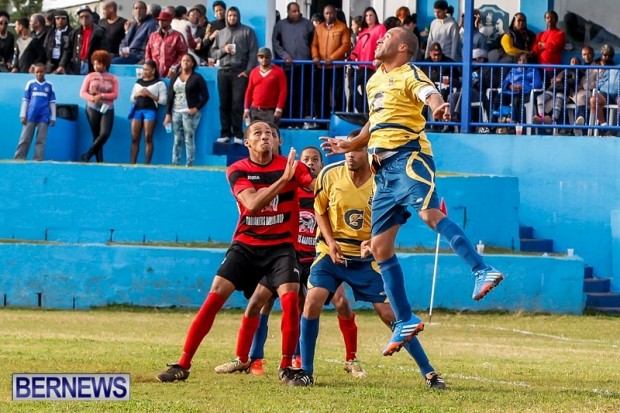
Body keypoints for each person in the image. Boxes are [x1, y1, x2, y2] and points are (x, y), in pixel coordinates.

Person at [322, 28, 504, 357]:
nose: (378, 39)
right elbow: (375, 121)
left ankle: (481, 269)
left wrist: (438, 106)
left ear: (403, 47)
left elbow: (429, 94)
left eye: (386, 36)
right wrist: (351, 143)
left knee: (429, 213)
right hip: (383, 173)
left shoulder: (409, 73)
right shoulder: (375, 80)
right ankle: (405, 318)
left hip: (409, 157)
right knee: (379, 248)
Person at [156, 121, 314, 383]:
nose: (265, 137)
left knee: (290, 298)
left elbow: (314, 184)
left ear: (277, 141)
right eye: (257, 133)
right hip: (246, 245)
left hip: (281, 248)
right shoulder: (238, 170)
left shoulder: (292, 167)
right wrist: (284, 181)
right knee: (215, 296)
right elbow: (251, 204)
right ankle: (182, 364)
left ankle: (286, 367)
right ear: (247, 143)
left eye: (269, 133)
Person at [289, 131, 446, 389]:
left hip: (365, 260)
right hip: (331, 253)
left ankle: (429, 372)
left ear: (368, 151)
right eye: (346, 149)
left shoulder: (382, 178)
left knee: (389, 314)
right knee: (312, 302)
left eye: (356, 149)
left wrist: (374, 242)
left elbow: (394, 217)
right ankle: (305, 371)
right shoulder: (329, 175)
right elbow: (319, 211)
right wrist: (330, 242)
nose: (350, 154)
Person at [238, 145, 364, 378]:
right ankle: (254, 359)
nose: (310, 162)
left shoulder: (325, 191)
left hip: (318, 258)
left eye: (315, 159)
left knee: (341, 303)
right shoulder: (291, 188)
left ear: (322, 165)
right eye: (305, 159)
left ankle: (351, 359)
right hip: (288, 257)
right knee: (262, 301)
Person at [210, 6, 258, 145]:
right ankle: (225, 133)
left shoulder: (247, 32)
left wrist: (247, 71)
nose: (232, 18)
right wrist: (223, 50)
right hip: (223, 71)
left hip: (239, 73)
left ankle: (238, 134)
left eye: (234, 15)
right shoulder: (220, 34)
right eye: (230, 15)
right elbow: (212, 53)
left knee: (237, 104)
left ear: (238, 17)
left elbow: (253, 53)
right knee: (224, 104)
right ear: (226, 17)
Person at [272, 2, 315, 126]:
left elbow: (314, 42)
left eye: (297, 11)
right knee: (288, 93)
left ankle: (299, 121)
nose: (296, 14)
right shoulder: (280, 25)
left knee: (302, 93)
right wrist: (284, 56)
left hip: (304, 65)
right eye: (293, 11)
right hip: (288, 66)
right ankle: (287, 120)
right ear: (288, 12)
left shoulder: (307, 24)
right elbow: (275, 42)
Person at [164, 53, 208, 167]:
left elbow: (205, 96)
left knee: (189, 138)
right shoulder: (175, 77)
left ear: (192, 63)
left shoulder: (197, 78)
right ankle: (175, 162)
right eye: (183, 60)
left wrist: (196, 108)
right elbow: (170, 96)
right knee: (177, 138)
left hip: (189, 113)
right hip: (176, 112)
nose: (185, 63)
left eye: (188, 61)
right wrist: (168, 113)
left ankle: (189, 162)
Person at [311, 4, 351, 120]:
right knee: (321, 93)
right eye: (327, 13)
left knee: (338, 94)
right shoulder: (319, 28)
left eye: (331, 13)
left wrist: (332, 58)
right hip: (322, 67)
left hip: (336, 66)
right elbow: (314, 44)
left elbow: (345, 45)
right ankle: (321, 119)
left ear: (335, 13)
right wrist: (315, 56)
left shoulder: (342, 27)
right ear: (324, 14)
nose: (329, 15)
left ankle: (340, 119)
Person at [79, 50, 119, 163]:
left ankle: (88, 154)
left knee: (104, 134)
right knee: (96, 134)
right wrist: (93, 99)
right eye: (94, 64)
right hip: (92, 107)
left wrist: (102, 95)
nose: (96, 66)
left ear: (105, 64)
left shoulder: (113, 78)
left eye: (99, 64)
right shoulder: (90, 76)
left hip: (107, 107)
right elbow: (82, 92)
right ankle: (99, 161)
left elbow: (115, 94)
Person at [14, 63, 56, 161]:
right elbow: (25, 100)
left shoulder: (50, 85)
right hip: (30, 115)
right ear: (34, 72)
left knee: (41, 140)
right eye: (37, 72)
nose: (39, 74)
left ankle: (38, 159)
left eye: (41, 72)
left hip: (44, 116)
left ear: (45, 72)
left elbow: (52, 102)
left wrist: (53, 117)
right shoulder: (30, 84)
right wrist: (23, 115)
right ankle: (19, 158)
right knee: (25, 138)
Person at [129, 59, 167, 164]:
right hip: (137, 110)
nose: (144, 71)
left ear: (153, 71)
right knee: (135, 138)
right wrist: (138, 94)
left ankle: (147, 162)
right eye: (143, 69)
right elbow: (132, 98)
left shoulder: (159, 83)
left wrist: (150, 94)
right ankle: (132, 162)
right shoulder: (138, 82)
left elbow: (163, 101)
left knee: (148, 137)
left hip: (150, 110)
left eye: (147, 69)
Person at [349, 7, 386, 113]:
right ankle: (362, 109)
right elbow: (358, 48)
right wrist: (350, 59)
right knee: (352, 85)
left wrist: (379, 58)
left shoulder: (380, 28)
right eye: (366, 15)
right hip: (362, 66)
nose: (368, 18)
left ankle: (366, 113)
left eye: (371, 15)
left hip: (372, 66)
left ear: (375, 17)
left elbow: (382, 43)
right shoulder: (363, 31)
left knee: (368, 91)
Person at [493, 52, 542, 130]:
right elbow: (505, 82)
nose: (522, 62)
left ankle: (517, 125)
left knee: (516, 100)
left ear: (528, 61)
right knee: (498, 99)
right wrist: (510, 86)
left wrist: (523, 87)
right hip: (510, 92)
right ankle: (494, 125)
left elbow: (537, 83)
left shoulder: (533, 70)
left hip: (524, 93)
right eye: (519, 60)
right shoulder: (513, 70)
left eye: (524, 60)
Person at [534, 56, 580, 130]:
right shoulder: (562, 70)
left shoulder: (576, 72)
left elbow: (574, 82)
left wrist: (561, 79)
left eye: (576, 62)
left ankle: (553, 120)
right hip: (553, 89)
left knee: (558, 99)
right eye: (572, 61)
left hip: (564, 91)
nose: (574, 63)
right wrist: (553, 80)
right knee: (540, 98)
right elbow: (554, 78)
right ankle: (543, 117)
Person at [243, 47, 287, 126]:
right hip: (255, 110)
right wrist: (246, 109)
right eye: (261, 57)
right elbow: (249, 91)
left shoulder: (279, 72)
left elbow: (283, 91)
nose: (264, 59)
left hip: (271, 111)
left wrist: (279, 109)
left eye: (267, 57)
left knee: (269, 135)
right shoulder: (253, 72)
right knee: (255, 135)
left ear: (270, 58)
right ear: (258, 58)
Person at [62, 6, 105, 75]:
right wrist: (62, 65)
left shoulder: (99, 32)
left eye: (86, 16)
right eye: (81, 17)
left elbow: (104, 50)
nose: (84, 19)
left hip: (93, 65)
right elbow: (67, 50)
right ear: (79, 19)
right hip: (77, 65)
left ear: (91, 18)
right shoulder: (74, 33)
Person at [145, 11, 187, 78]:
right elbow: (148, 52)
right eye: (159, 20)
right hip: (154, 73)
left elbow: (183, 54)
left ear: (170, 21)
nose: (161, 22)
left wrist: (173, 68)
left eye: (164, 20)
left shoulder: (177, 36)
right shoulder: (153, 36)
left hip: (172, 74)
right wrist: (149, 67)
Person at [589, 44, 620, 134]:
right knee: (594, 100)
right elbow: (602, 80)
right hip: (606, 93)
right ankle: (604, 126)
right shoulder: (613, 68)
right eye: (605, 55)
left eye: (609, 55)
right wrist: (599, 86)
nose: (607, 57)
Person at [531, 10, 566, 81]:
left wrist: (542, 44)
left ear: (556, 20)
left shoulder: (560, 33)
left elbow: (554, 47)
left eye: (552, 18)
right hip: (540, 67)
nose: (549, 20)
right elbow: (534, 49)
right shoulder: (540, 34)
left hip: (553, 68)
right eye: (547, 18)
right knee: (540, 89)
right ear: (545, 20)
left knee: (551, 90)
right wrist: (547, 45)